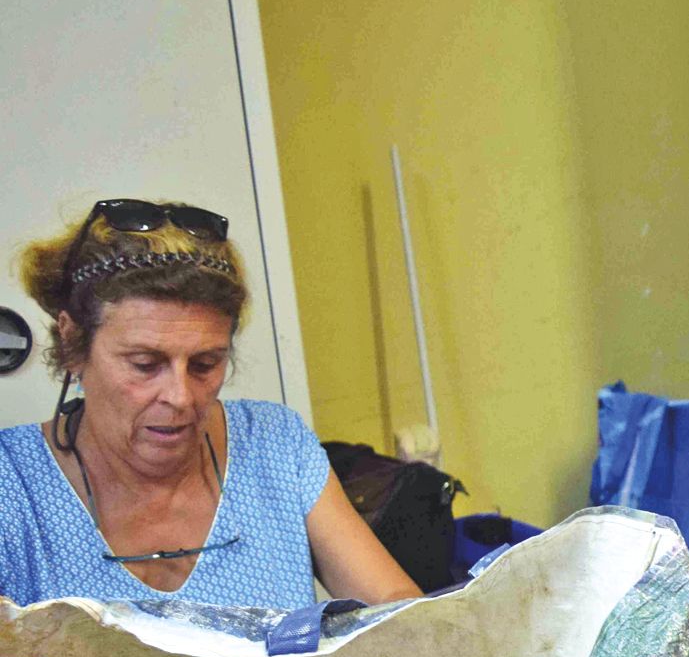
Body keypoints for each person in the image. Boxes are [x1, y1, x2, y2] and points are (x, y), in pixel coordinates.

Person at [1, 199, 419, 608]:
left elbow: (395, 606)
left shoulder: (273, 444)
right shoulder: (12, 484)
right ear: (74, 344)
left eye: (205, 364)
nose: (181, 397)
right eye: (146, 364)